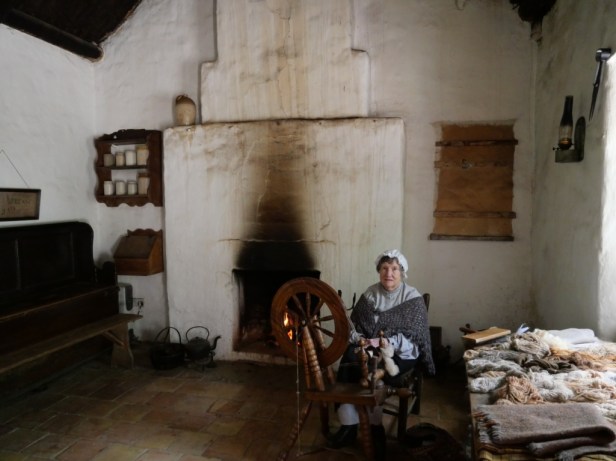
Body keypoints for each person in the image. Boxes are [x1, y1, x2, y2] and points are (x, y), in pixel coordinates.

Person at [329, 249, 435, 458]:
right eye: (385, 268)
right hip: (371, 348)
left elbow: (414, 338)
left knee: (373, 371)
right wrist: (360, 340)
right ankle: (348, 425)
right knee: (349, 359)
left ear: (402, 272)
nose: (389, 273)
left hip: (402, 353)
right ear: (379, 270)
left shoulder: (412, 298)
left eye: (394, 268)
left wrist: (386, 343)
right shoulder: (370, 294)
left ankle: (374, 427)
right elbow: (355, 325)